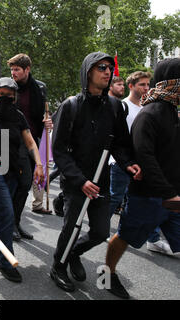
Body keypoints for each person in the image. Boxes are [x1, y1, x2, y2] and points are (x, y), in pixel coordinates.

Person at [50, 51, 141, 293]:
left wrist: (127, 162)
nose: (107, 72)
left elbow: (120, 143)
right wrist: (79, 180)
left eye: (109, 68)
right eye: (101, 67)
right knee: (71, 227)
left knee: (100, 231)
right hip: (76, 181)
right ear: (88, 71)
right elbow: (58, 150)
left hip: (102, 179)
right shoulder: (70, 106)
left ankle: (73, 254)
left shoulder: (114, 106)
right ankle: (58, 266)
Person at [105, 58, 180, 299]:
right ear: (172, 84)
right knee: (125, 236)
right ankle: (108, 274)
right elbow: (145, 157)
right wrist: (168, 193)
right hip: (149, 196)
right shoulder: (150, 114)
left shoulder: (173, 113)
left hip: (173, 196)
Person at [0, 77, 44, 283]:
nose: (4, 98)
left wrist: (38, 164)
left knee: (1, 208)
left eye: (9, 95)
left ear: (14, 97)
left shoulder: (18, 116)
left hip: (14, 171)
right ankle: (6, 261)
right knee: (7, 213)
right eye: (0, 94)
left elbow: (30, 141)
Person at [7, 53, 53, 242]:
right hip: (9, 142)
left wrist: (47, 122)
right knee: (8, 187)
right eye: (11, 69)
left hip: (31, 142)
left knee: (25, 184)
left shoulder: (40, 88)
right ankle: (1, 226)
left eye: (17, 69)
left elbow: (42, 114)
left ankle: (15, 223)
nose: (13, 73)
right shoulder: (7, 87)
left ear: (27, 69)